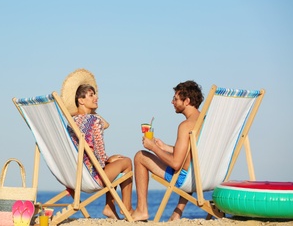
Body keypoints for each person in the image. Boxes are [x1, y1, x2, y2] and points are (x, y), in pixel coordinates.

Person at [61, 69, 133, 220]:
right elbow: (100, 157)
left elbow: (106, 124)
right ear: (80, 100)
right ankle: (126, 208)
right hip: (92, 176)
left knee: (115, 162)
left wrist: (91, 111)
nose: (96, 97)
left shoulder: (71, 123)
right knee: (126, 162)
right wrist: (108, 159)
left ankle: (110, 207)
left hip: (75, 176)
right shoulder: (94, 122)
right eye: (91, 95)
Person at [131, 80, 204, 221]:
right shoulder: (205, 121)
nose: (172, 102)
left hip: (186, 178)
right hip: (201, 176)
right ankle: (177, 214)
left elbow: (176, 163)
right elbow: (190, 153)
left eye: (175, 99)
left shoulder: (186, 125)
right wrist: (164, 148)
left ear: (187, 101)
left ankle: (142, 210)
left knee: (140, 156)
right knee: (185, 167)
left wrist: (153, 147)